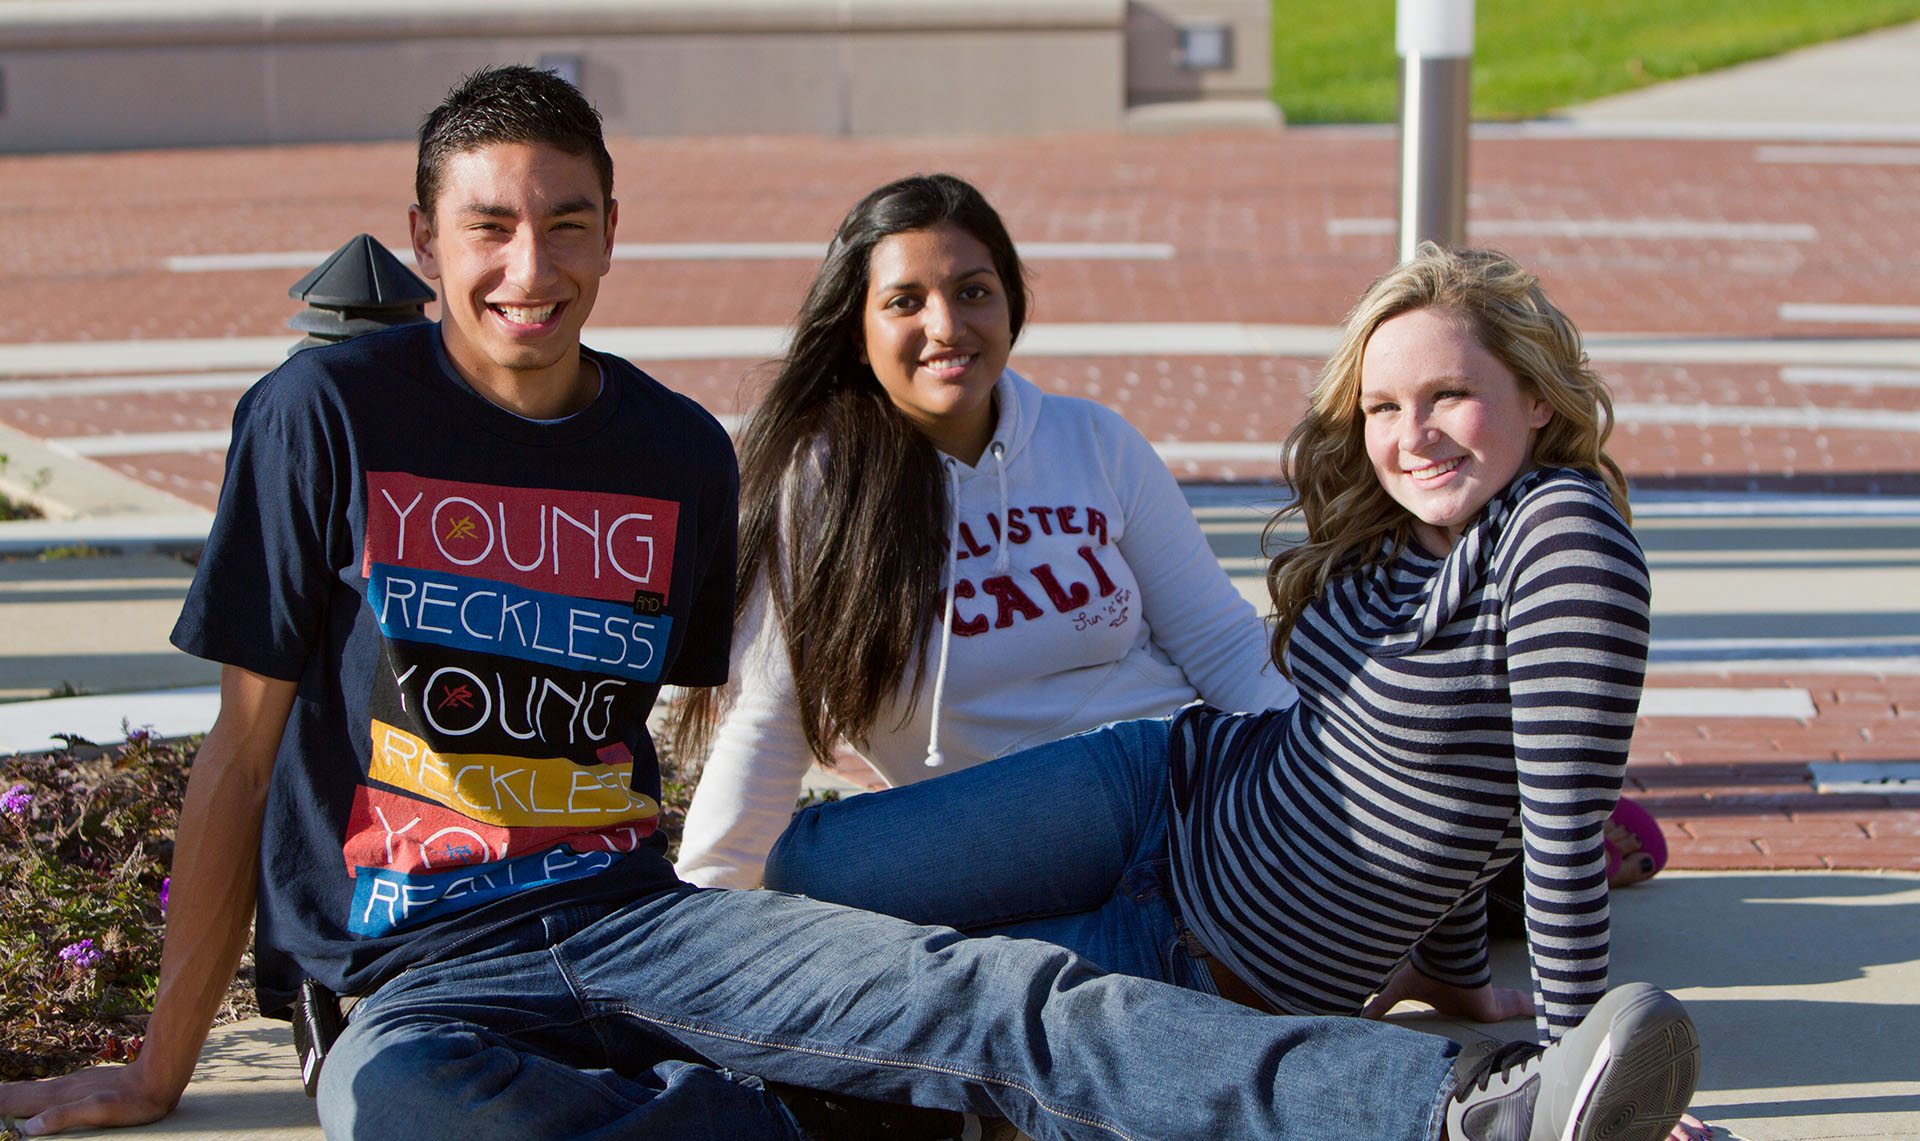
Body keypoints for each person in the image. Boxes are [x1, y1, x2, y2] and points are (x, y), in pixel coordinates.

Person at [0, 70, 1700, 1141]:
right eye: (491, 229)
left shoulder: (669, 449)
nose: (533, 267)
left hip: (626, 907)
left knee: (1001, 1003)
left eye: (568, 222)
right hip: (417, 969)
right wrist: (156, 1065)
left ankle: (1470, 1118)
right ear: (431, 243)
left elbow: (666, 735)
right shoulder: (329, 415)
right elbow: (244, 754)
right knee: (416, 1114)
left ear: (609, 232)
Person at [767, 243, 1706, 1135]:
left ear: (1537, 397)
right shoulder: (1402, 525)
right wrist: (1450, 972)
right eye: (1381, 407)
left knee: (871, 1005)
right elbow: (1446, 765)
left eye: (1449, 395)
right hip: (1157, 781)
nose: (1409, 436)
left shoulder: (1563, 537)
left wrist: (1576, 1066)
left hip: (1214, 961)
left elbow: (1556, 829)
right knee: (806, 868)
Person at [673, 172, 1296, 905]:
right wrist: (699, 904)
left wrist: (1315, 785)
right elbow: (771, 711)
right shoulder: (826, 485)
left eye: (973, 291)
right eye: (906, 301)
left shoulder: (1092, 439)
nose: (946, 326)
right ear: (856, 328)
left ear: (1011, 307)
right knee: (814, 868)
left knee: (842, 889)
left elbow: (1221, 643)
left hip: (1165, 768)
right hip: (1006, 839)